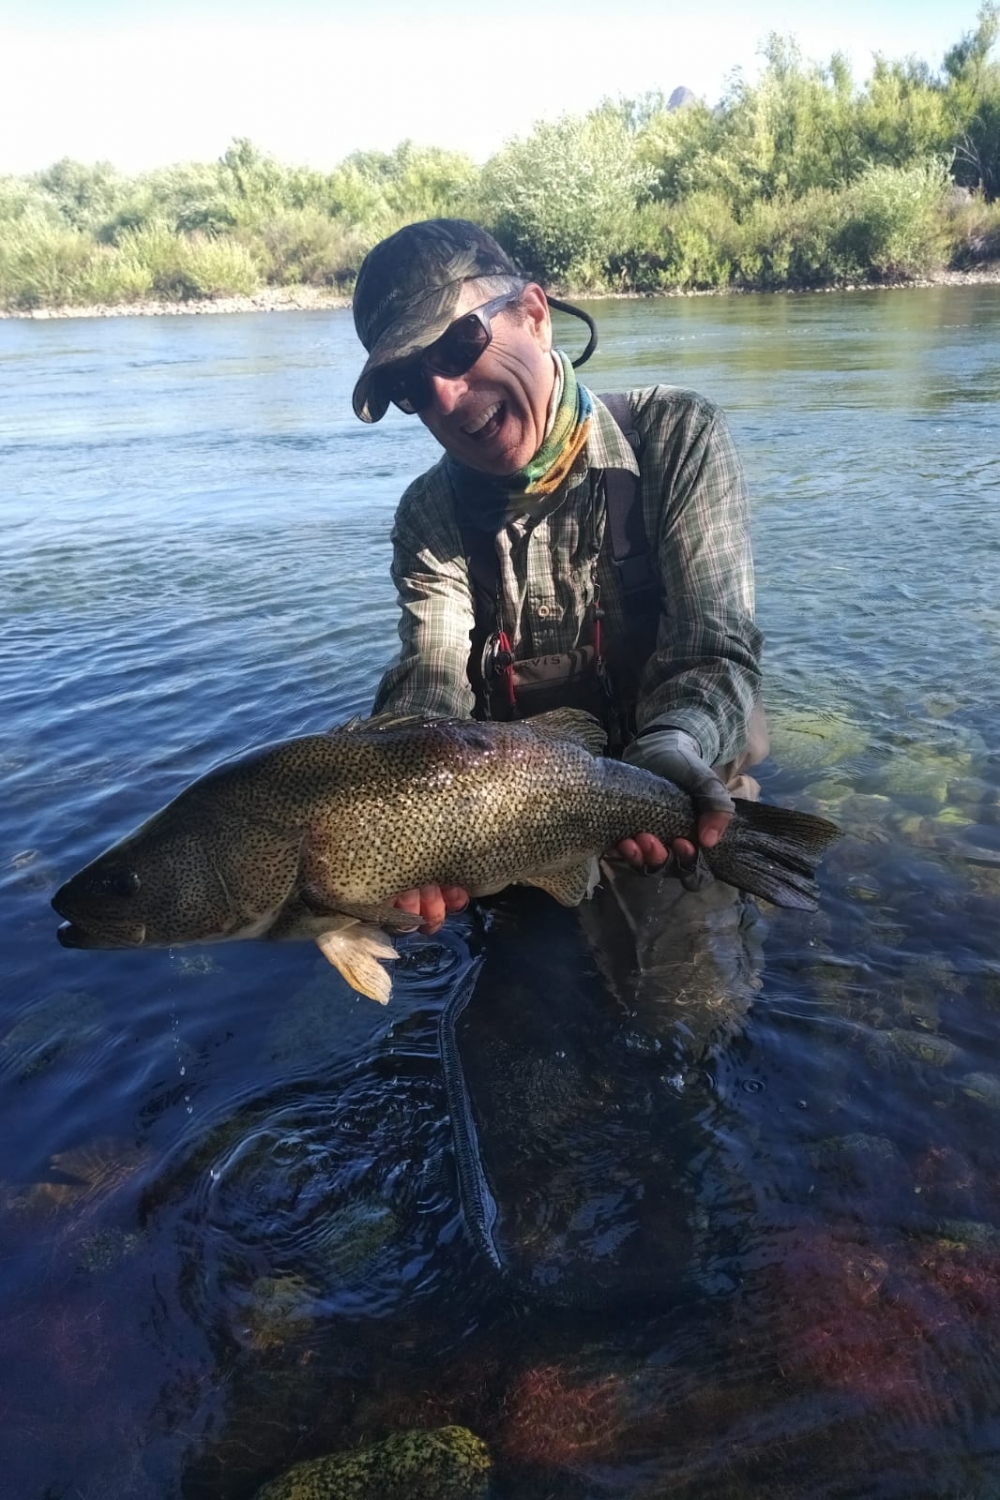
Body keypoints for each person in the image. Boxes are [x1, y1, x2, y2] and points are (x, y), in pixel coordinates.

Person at [351, 218, 768, 937]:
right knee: (507, 1037)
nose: (445, 397)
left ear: (536, 316)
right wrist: (395, 800)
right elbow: (432, 678)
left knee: (693, 1023)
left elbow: (715, 646)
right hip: (509, 829)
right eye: (409, 385)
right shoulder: (429, 515)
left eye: (458, 346)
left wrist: (671, 746)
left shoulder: (675, 438)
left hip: (681, 792)